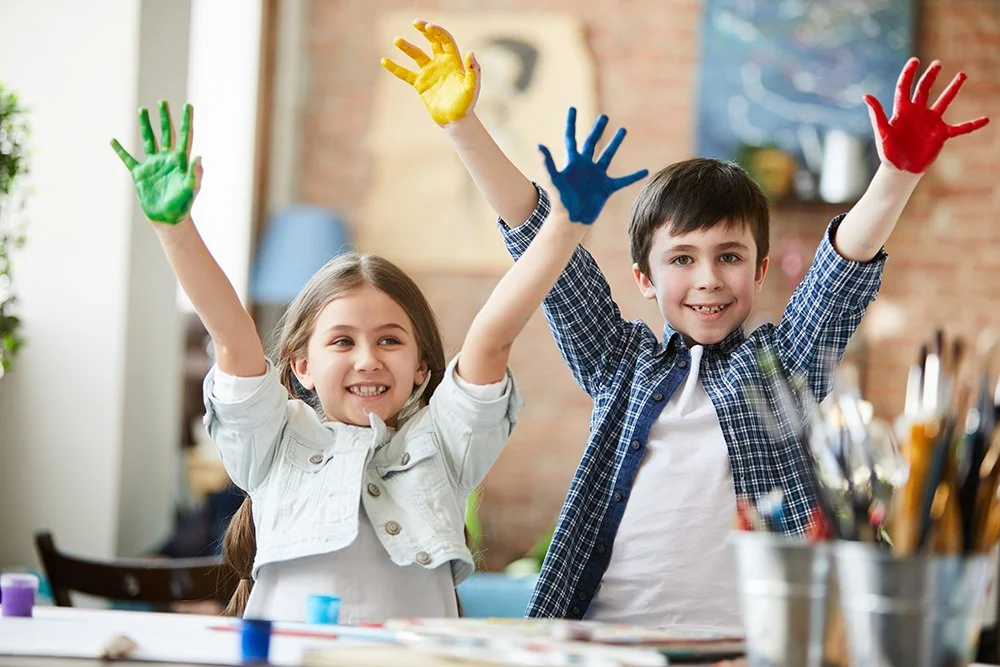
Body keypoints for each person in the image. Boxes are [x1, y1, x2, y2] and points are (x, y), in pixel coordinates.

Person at [384, 22, 990, 626]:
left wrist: (897, 174)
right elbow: (541, 244)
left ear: (757, 273)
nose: (707, 279)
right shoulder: (619, 365)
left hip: (746, 646)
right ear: (644, 278)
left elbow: (840, 275)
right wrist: (463, 126)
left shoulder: (781, 370)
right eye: (682, 259)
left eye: (729, 256)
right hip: (602, 640)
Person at [110, 97, 645, 623]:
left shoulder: (443, 442)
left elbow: (491, 340)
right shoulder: (273, 441)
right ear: (300, 366)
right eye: (342, 342)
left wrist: (564, 227)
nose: (367, 359)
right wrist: (174, 229)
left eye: (390, 341)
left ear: (421, 368)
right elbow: (233, 340)